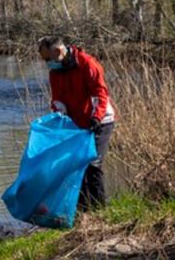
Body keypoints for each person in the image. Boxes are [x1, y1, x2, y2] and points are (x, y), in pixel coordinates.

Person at [38, 36, 116, 210]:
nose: (46, 63)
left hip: (101, 121)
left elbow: (100, 93)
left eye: (46, 59)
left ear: (58, 51)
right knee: (75, 166)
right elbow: (57, 99)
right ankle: (81, 212)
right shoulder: (55, 72)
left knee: (93, 164)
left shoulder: (87, 64)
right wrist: (59, 118)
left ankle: (100, 211)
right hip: (76, 124)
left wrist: (96, 116)